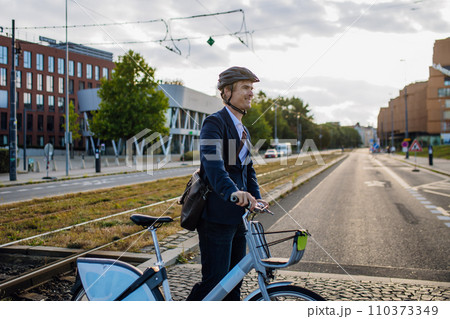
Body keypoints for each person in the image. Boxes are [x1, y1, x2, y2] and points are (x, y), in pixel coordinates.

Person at [186, 66, 268, 301]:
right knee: (215, 282)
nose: (251, 93)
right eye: (245, 87)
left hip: (238, 218)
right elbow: (213, 167)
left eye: (251, 88)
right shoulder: (214, 124)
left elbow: (247, 169)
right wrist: (233, 192)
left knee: (234, 283)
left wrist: (255, 196)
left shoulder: (243, 130)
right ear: (226, 92)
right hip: (216, 217)